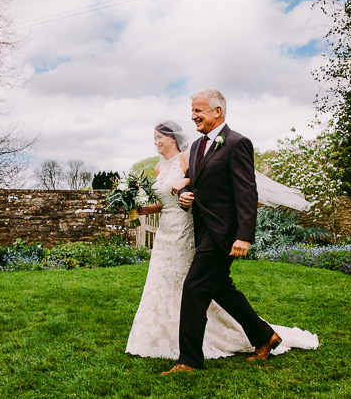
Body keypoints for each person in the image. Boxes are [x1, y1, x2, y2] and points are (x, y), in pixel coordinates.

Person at [125, 99, 318, 371]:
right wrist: (183, 188)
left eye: (198, 110)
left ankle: (189, 360)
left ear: (218, 111)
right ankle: (265, 336)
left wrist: (244, 236)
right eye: (192, 111)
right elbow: (198, 181)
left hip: (224, 231)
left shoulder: (237, 143)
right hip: (201, 230)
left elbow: (246, 191)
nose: (193, 116)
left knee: (193, 288)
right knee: (220, 288)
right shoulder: (198, 146)